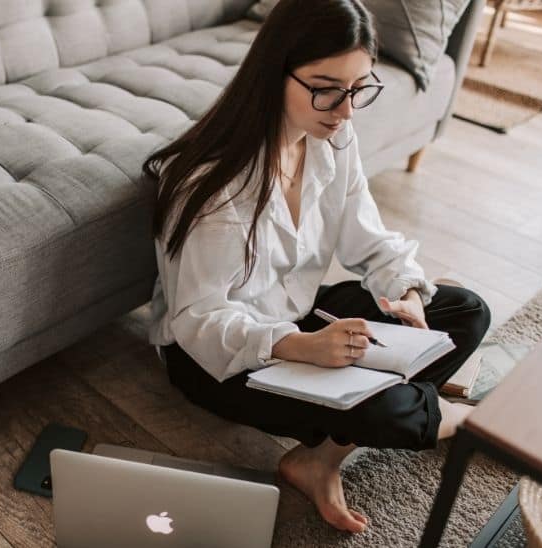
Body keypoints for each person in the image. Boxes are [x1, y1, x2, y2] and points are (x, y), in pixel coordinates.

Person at [142, 0, 491, 534]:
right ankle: (456, 416)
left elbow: (368, 237)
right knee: (388, 410)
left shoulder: (332, 136)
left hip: (301, 315)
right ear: (274, 72)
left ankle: (320, 457)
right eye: (326, 88)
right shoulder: (213, 185)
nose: (345, 109)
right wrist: (301, 348)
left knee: (464, 310)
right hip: (222, 357)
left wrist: (406, 293)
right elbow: (199, 320)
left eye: (358, 89)